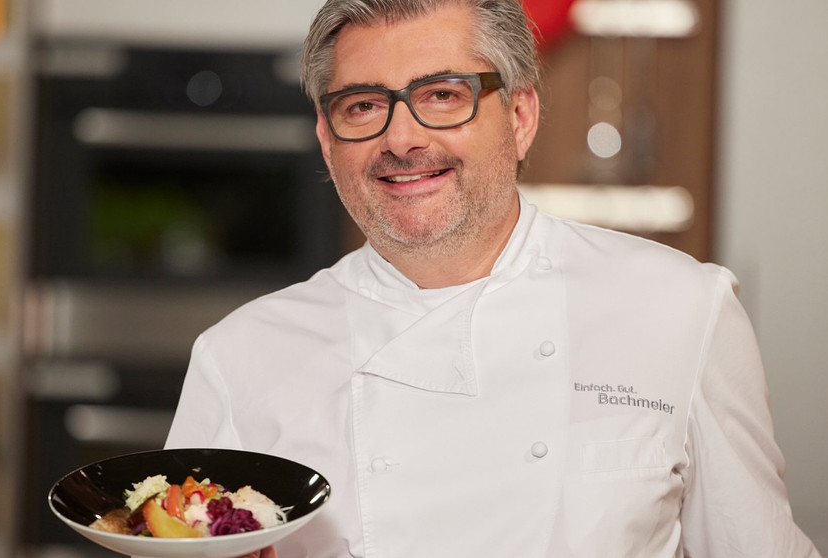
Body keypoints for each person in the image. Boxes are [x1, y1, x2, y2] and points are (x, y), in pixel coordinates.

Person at [165, 0, 822, 556]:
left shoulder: (679, 309)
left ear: (520, 116)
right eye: (364, 106)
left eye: (441, 96)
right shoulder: (240, 357)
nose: (401, 138)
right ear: (326, 137)